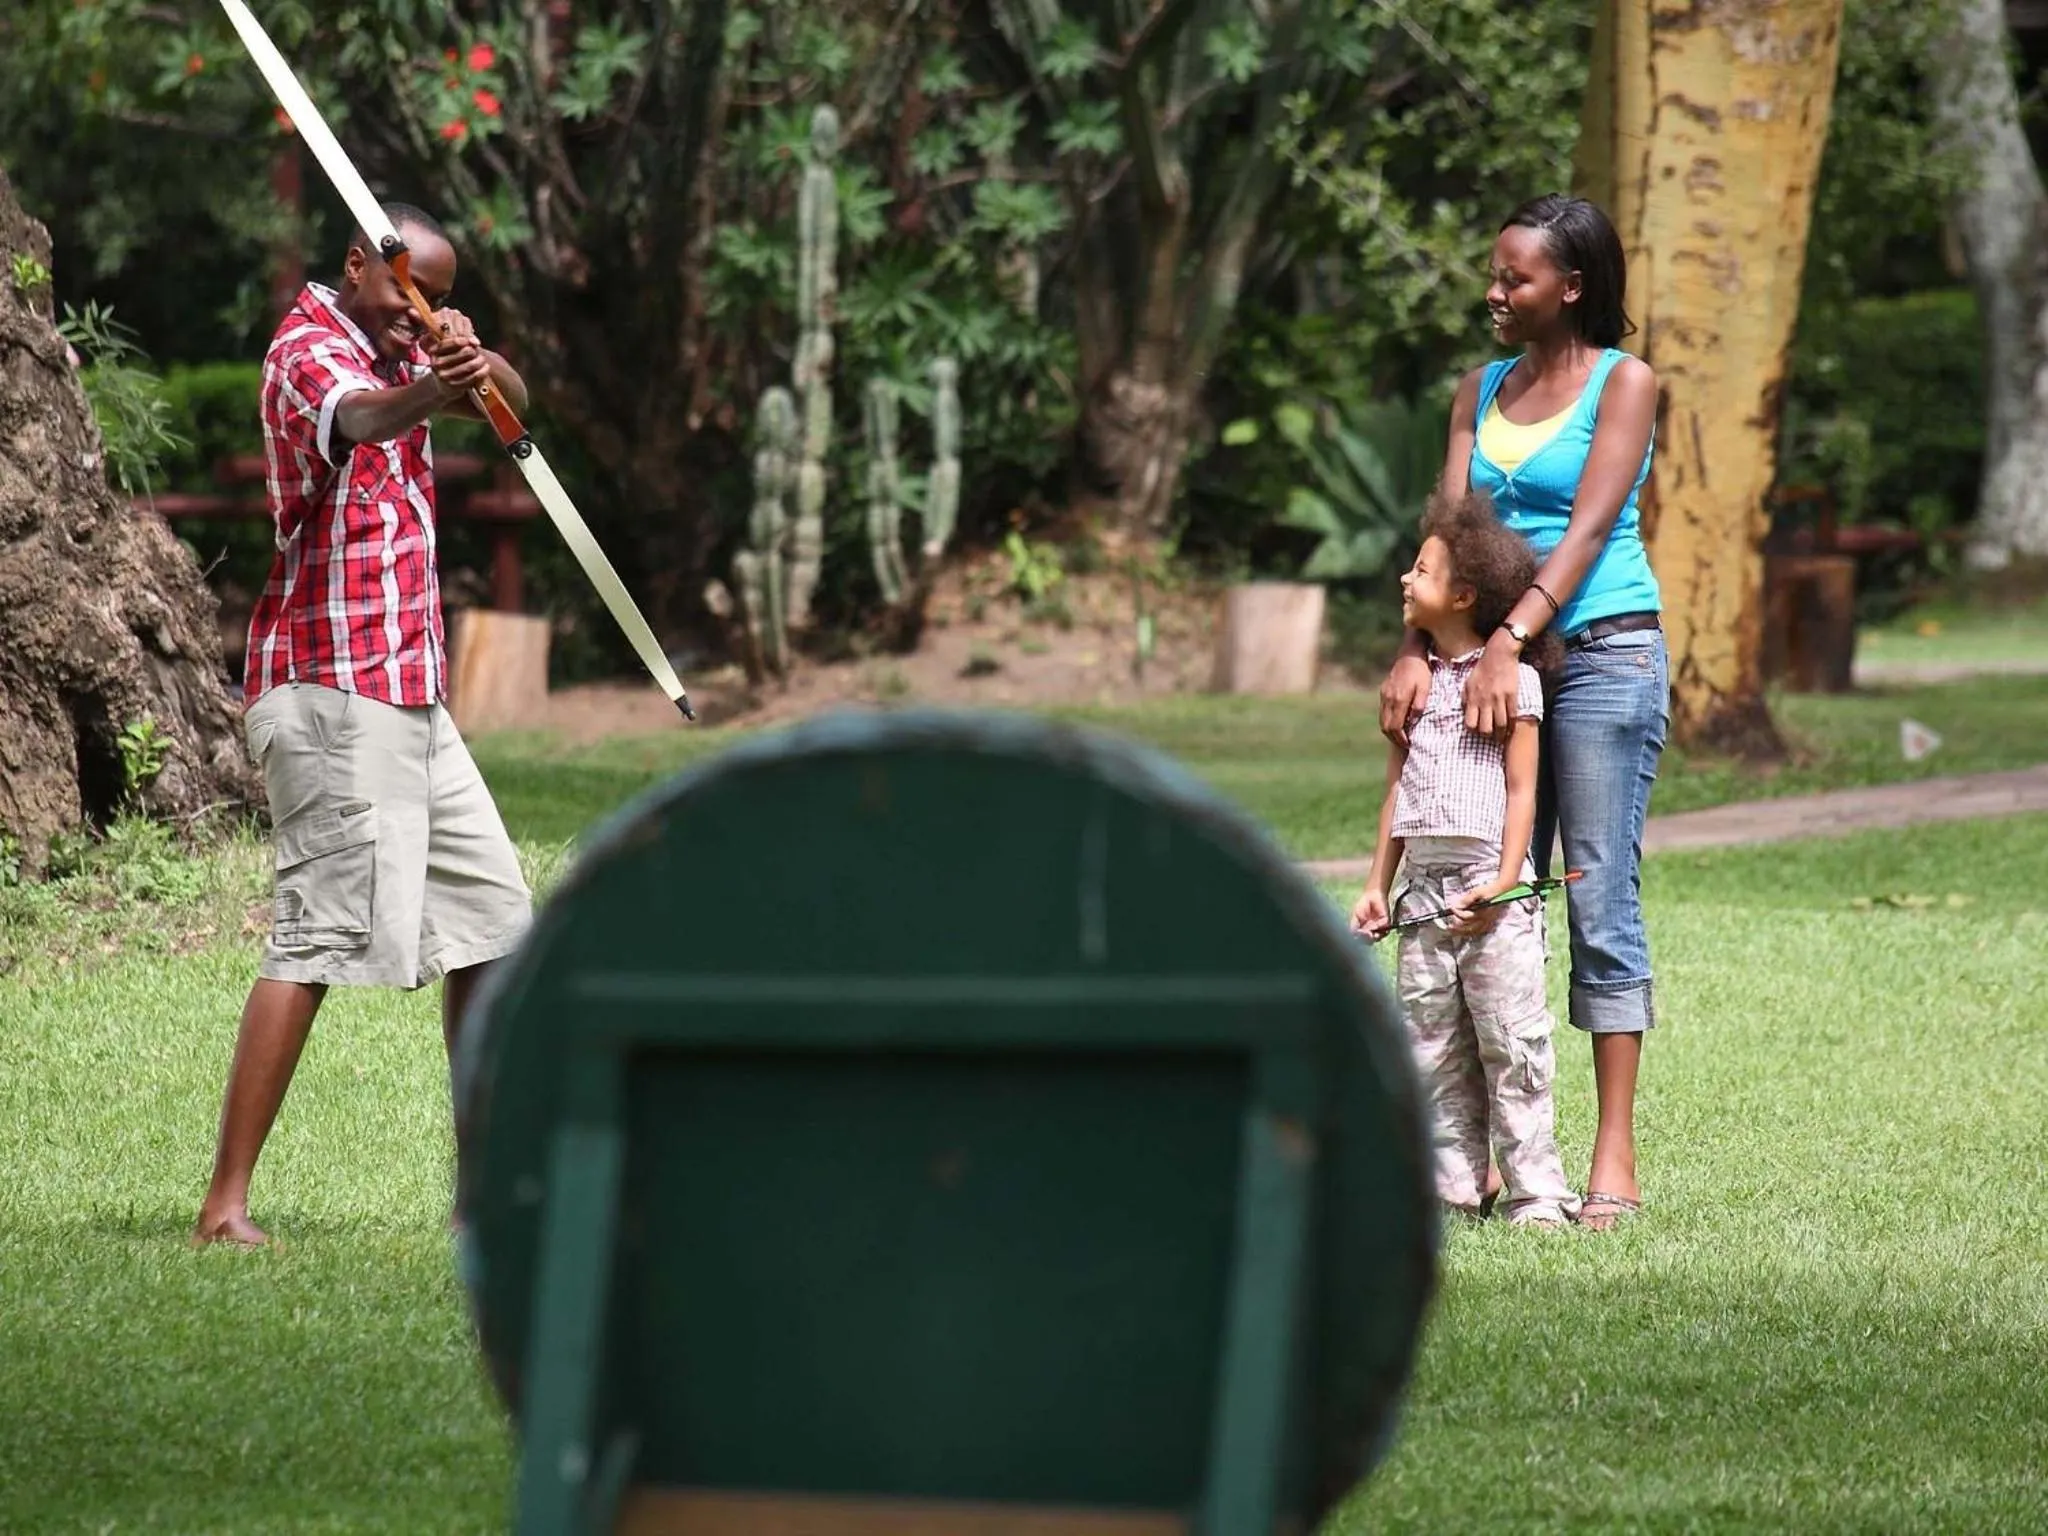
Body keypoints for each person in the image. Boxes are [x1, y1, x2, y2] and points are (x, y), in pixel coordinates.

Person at [193, 203, 534, 1247]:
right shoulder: (306, 351)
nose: (415, 312)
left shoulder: (410, 346)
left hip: (410, 689)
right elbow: (370, 419)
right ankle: (224, 1206)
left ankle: (479, 1196)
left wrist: (474, 359)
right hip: (332, 689)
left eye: (436, 297)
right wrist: (434, 380)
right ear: (357, 265)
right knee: (316, 939)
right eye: (406, 290)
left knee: (494, 927)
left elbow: (516, 410)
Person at [1379, 193, 1666, 1232]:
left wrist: (1506, 641)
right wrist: (1419, 652)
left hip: (1600, 656)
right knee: (1482, 887)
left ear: (1571, 287)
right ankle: (1482, 1159)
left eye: (1515, 278)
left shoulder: (1624, 383)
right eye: (1494, 275)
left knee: (1596, 894)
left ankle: (1612, 1154)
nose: (1494, 292)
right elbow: (1451, 533)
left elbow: (1588, 530)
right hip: (1488, 663)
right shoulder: (1480, 388)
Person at [1354, 494, 1577, 1228]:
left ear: (1463, 595)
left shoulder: (1514, 683)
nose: (1405, 578)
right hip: (1422, 896)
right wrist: (1378, 885)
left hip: (1493, 894)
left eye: (1421, 570)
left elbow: (1523, 790)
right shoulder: (1412, 686)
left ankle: (1537, 1194)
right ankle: (1451, 1190)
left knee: (1512, 1045)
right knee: (1430, 1050)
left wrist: (1508, 879)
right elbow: (1397, 791)